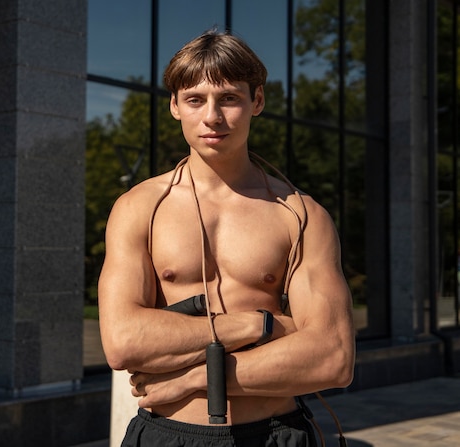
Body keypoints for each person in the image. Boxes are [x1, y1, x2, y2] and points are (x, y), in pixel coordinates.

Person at [98, 30, 355, 447]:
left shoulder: (300, 214)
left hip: (276, 434)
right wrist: (259, 324)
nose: (212, 117)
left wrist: (198, 378)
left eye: (229, 98)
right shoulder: (139, 208)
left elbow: (334, 357)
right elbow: (124, 342)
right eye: (196, 99)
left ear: (257, 101)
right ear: (175, 106)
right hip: (167, 435)